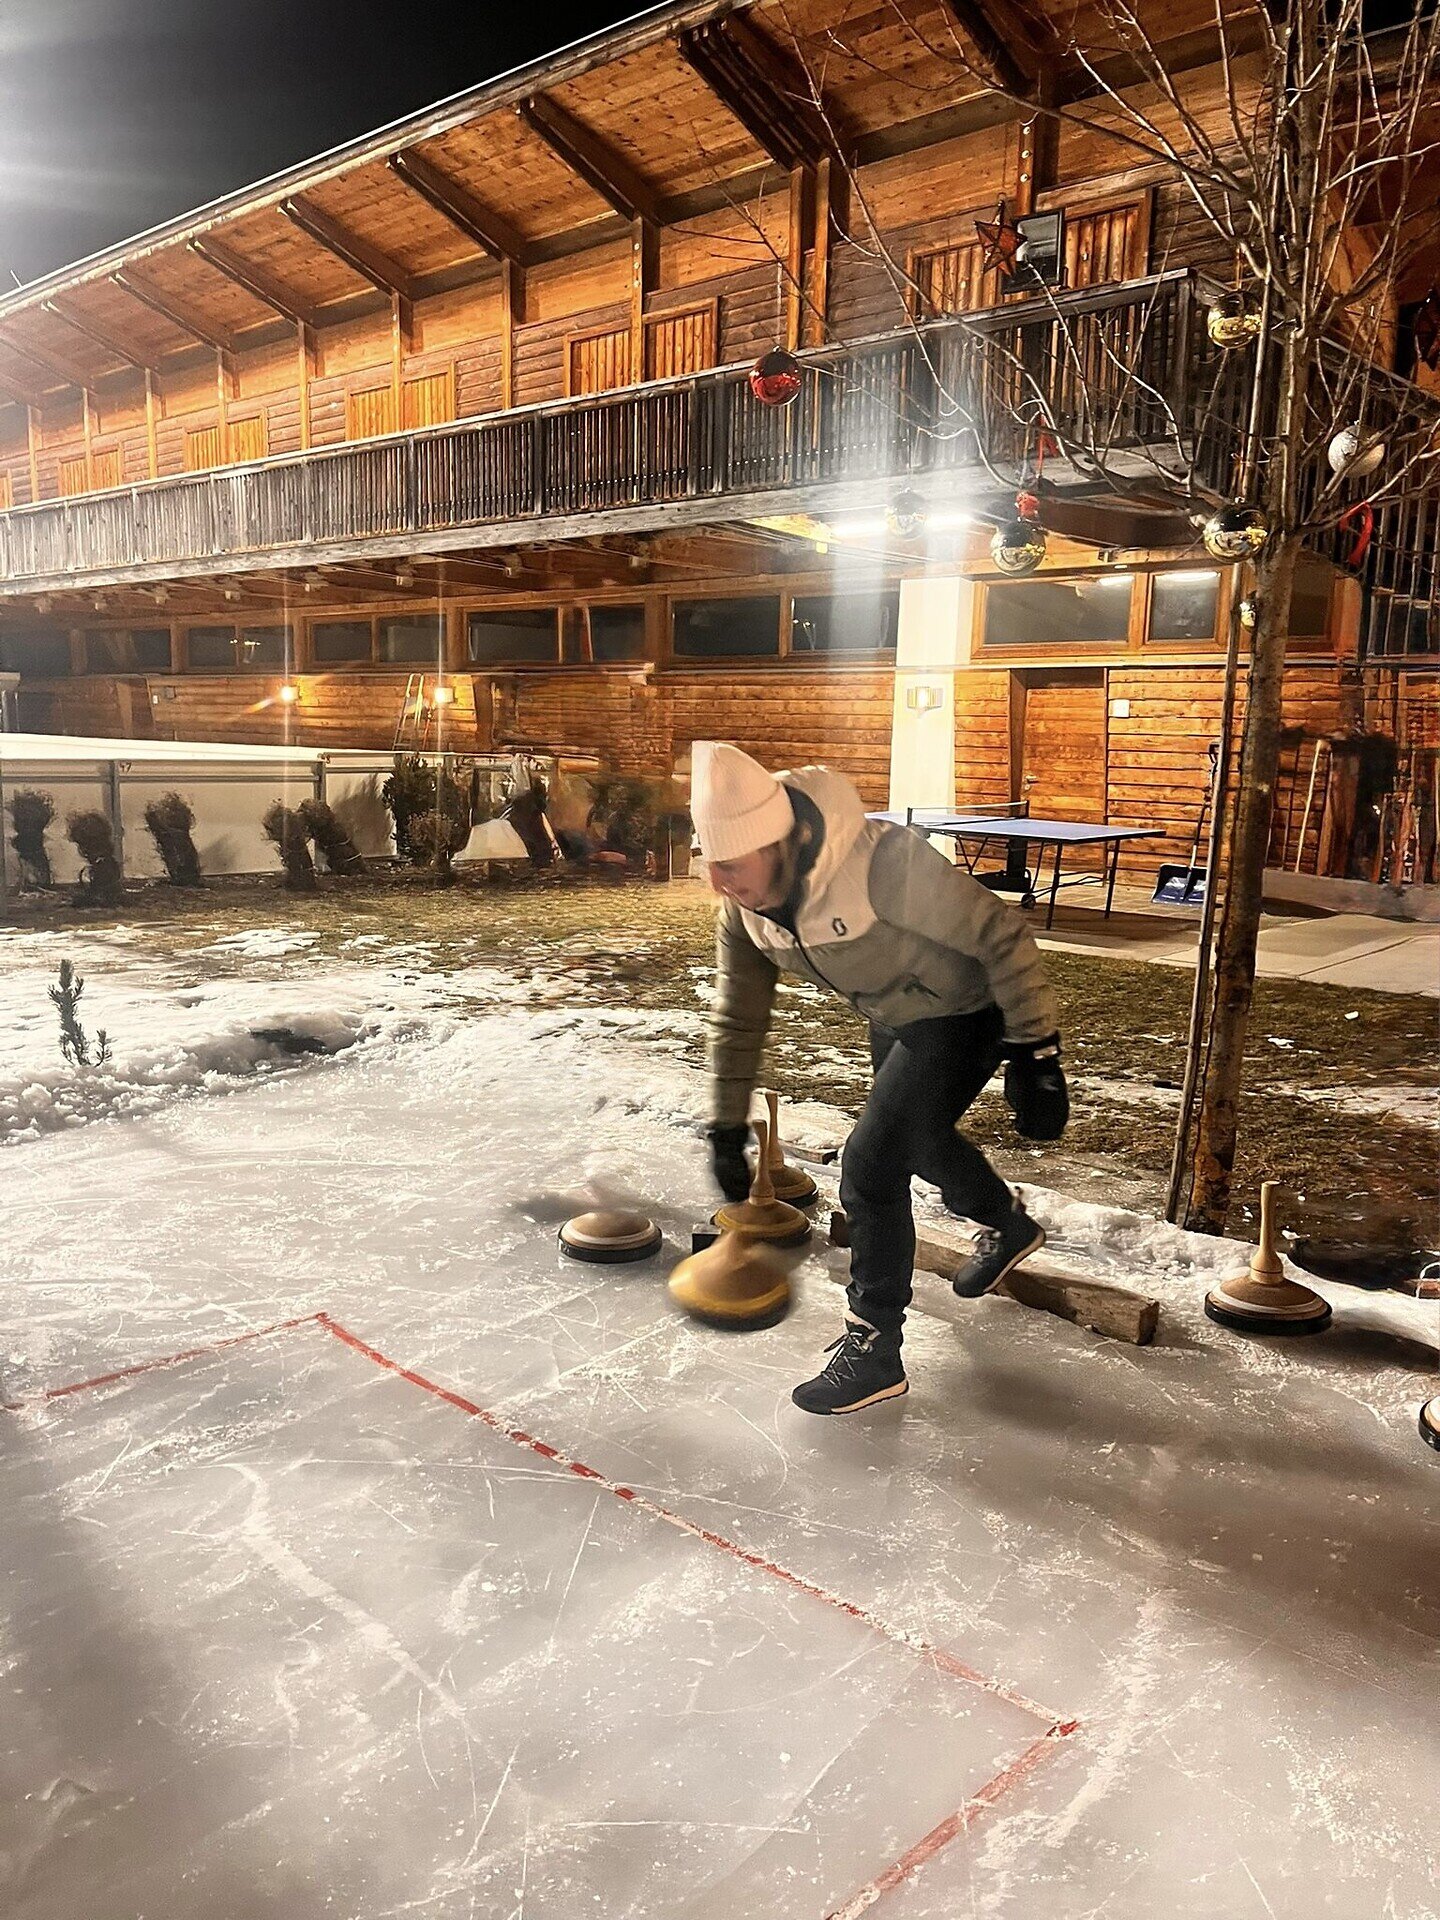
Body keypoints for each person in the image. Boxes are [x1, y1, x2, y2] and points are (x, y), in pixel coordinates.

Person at [691, 741, 1068, 1415]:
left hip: (969, 1011)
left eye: (731, 865)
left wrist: (1035, 1051)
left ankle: (874, 1349)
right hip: (895, 1017)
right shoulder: (743, 913)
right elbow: (738, 1018)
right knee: (915, 1141)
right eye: (709, 863)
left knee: (869, 1167)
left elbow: (1002, 933)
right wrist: (725, 1122)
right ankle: (1005, 1224)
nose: (719, 882)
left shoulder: (880, 863)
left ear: (777, 843)